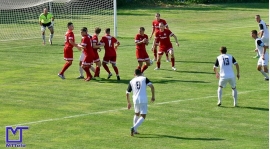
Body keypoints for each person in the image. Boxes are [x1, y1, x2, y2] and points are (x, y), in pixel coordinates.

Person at [126, 69, 155, 136]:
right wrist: (153, 96)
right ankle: (134, 128)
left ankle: (135, 131)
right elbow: (152, 86)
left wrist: (128, 102)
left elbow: (127, 93)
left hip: (135, 99)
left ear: (134, 74)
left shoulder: (132, 81)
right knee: (143, 116)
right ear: (141, 73)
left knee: (136, 114)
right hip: (143, 99)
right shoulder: (144, 78)